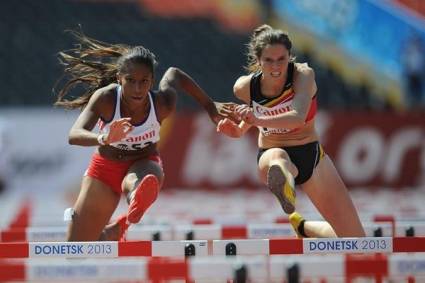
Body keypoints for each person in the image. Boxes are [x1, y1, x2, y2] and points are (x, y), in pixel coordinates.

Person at [55, 31, 225, 241]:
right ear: (119, 79)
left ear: (152, 80)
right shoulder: (107, 99)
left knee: (141, 180)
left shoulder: (162, 103)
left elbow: (174, 74)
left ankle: (136, 197)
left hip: (143, 163)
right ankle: (112, 231)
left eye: (144, 81)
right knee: (77, 248)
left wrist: (209, 106)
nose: (137, 88)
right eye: (130, 80)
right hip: (104, 169)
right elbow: (74, 135)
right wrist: (105, 138)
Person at [217, 25, 365, 238]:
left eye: (281, 59)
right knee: (280, 158)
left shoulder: (303, 75)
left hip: (312, 156)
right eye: (269, 60)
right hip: (271, 153)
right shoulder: (244, 87)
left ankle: (304, 227)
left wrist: (255, 118)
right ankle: (284, 181)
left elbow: (297, 117)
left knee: (356, 241)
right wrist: (239, 130)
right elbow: (256, 111)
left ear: (290, 57)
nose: (276, 66)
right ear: (258, 61)